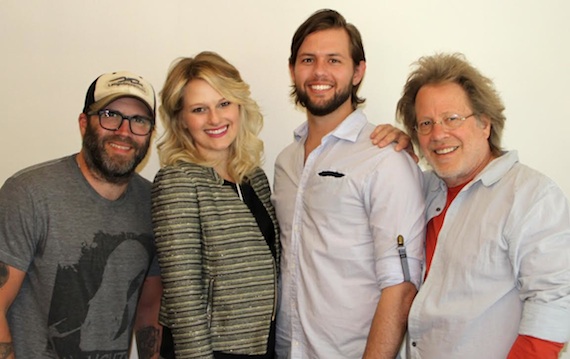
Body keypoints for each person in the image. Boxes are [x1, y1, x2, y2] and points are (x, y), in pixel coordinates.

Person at [375, 52, 570, 358]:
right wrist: (394, 151)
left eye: (452, 118)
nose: (438, 134)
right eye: (425, 123)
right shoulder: (421, 190)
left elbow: (553, 304)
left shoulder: (531, 196)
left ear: (485, 124)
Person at [272, 9, 426, 359]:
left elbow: (401, 287)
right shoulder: (285, 163)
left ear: (358, 71)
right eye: (307, 59)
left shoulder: (385, 159)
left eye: (334, 60)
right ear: (293, 69)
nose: (319, 72)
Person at [0, 71, 162, 358]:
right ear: (84, 122)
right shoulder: (30, 193)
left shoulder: (154, 203)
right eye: (110, 115)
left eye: (139, 121)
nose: (124, 131)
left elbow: (149, 309)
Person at [152, 51, 280, 359]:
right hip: (207, 349)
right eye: (199, 109)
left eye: (223, 103)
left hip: (261, 344)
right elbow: (184, 298)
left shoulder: (255, 179)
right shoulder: (176, 182)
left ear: (239, 106)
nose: (215, 119)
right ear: (181, 119)